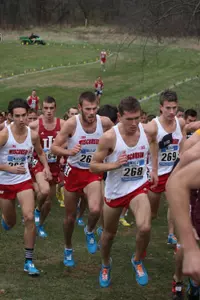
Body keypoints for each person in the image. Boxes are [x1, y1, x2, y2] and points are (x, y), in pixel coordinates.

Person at [90, 96, 158, 288]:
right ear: (119, 117)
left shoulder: (148, 130)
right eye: (129, 119)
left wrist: (153, 169)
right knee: (108, 235)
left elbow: (153, 143)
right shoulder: (110, 137)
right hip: (115, 191)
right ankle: (105, 265)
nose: (134, 123)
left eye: (137, 118)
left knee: (145, 227)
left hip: (138, 187)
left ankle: (137, 260)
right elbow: (93, 166)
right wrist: (114, 164)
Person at [51, 91, 113, 267]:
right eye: (87, 109)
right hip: (74, 172)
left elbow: (116, 138)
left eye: (94, 108)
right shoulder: (72, 124)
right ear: (80, 108)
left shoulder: (105, 123)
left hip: (92, 172)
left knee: (95, 210)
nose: (91, 112)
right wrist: (69, 152)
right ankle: (68, 247)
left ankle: (89, 230)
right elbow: (55, 148)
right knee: (70, 218)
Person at [0, 98, 49, 276]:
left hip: (23, 180)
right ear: (10, 117)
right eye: (17, 116)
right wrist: (8, 167)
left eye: (24, 115)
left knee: (28, 217)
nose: (21, 119)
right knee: (11, 222)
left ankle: (29, 261)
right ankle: (6, 220)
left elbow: (40, 152)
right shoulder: (4, 135)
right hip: (4, 182)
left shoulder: (33, 135)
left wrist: (47, 168)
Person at [147, 90, 185, 245]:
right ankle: (144, 232)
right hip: (156, 173)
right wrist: (154, 171)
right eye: (168, 108)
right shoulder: (153, 126)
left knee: (175, 205)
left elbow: (182, 140)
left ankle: (171, 234)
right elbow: (150, 151)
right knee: (152, 213)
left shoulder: (180, 122)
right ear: (161, 107)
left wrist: (181, 156)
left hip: (174, 171)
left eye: (174, 108)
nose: (172, 112)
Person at [166, 131, 200, 296]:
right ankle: (178, 279)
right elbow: (174, 182)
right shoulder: (194, 148)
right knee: (184, 246)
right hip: (196, 200)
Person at [29, 96, 65, 237]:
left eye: (51, 108)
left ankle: (40, 224)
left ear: (55, 108)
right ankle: (35, 211)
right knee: (44, 193)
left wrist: (61, 150)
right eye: (46, 108)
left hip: (54, 164)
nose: (48, 111)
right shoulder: (34, 126)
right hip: (38, 163)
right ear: (41, 109)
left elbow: (71, 139)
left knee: (48, 202)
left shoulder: (62, 124)